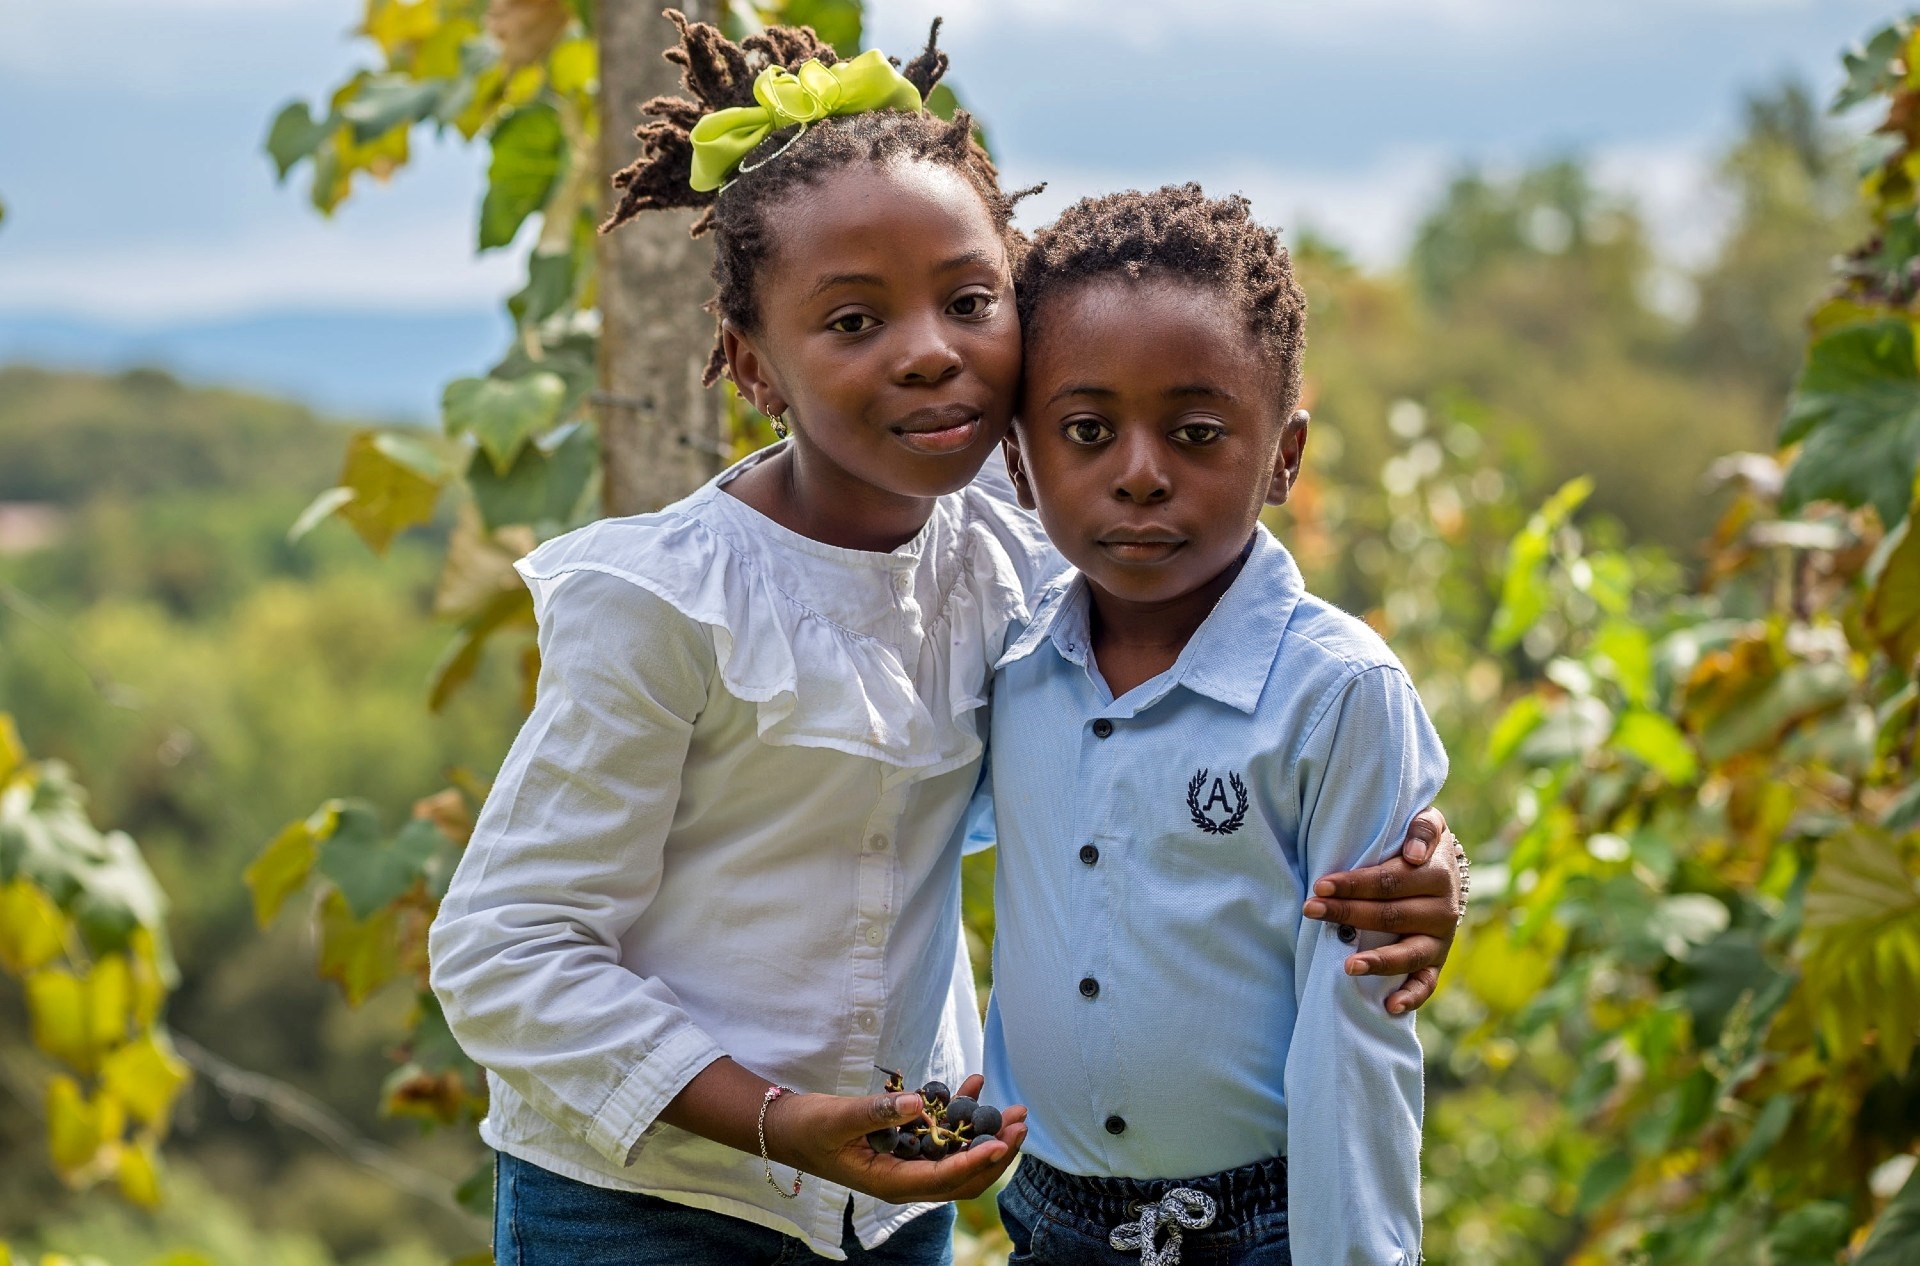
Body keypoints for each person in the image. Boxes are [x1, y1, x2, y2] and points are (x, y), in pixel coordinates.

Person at [429, 16, 1462, 1266]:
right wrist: (777, 1118)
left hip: (893, 1197)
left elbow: (1137, 780)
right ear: (753, 367)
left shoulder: (1023, 575)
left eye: (969, 301)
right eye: (853, 322)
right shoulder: (672, 605)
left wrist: (1411, 869)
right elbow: (501, 952)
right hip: (651, 1201)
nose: (928, 351)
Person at [982, 185, 1448, 1266]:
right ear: (1019, 460)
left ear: (1283, 457)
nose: (1141, 474)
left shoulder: (1336, 697)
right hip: (1048, 1219)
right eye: (1087, 432)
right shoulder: (1005, 667)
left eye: (1197, 433)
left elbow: (1358, 1033)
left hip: (1265, 1228)